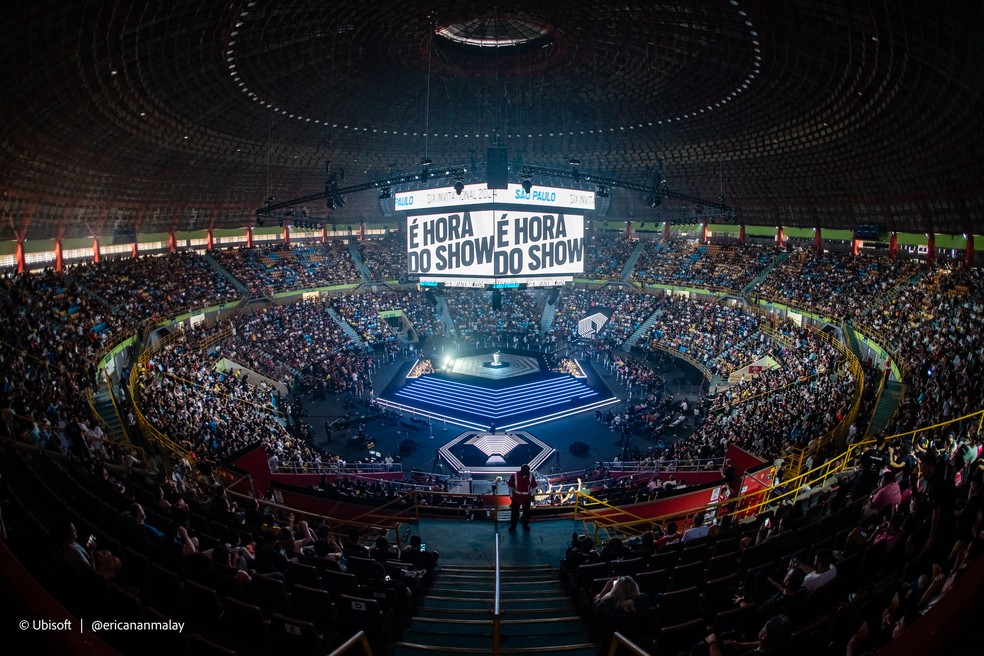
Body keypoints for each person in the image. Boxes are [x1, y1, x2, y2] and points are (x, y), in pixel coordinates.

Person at [507, 463, 538, 531]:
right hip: (516, 497)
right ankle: (513, 525)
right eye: (525, 470)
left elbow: (534, 487)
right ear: (521, 470)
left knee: (526, 512)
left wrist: (532, 495)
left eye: (527, 470)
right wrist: (511, 496)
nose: (527, 472)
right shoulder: (514, 476)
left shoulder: (530, 476)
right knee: (514, 512)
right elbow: (510, 486)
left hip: (526, 497)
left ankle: (525, 525)